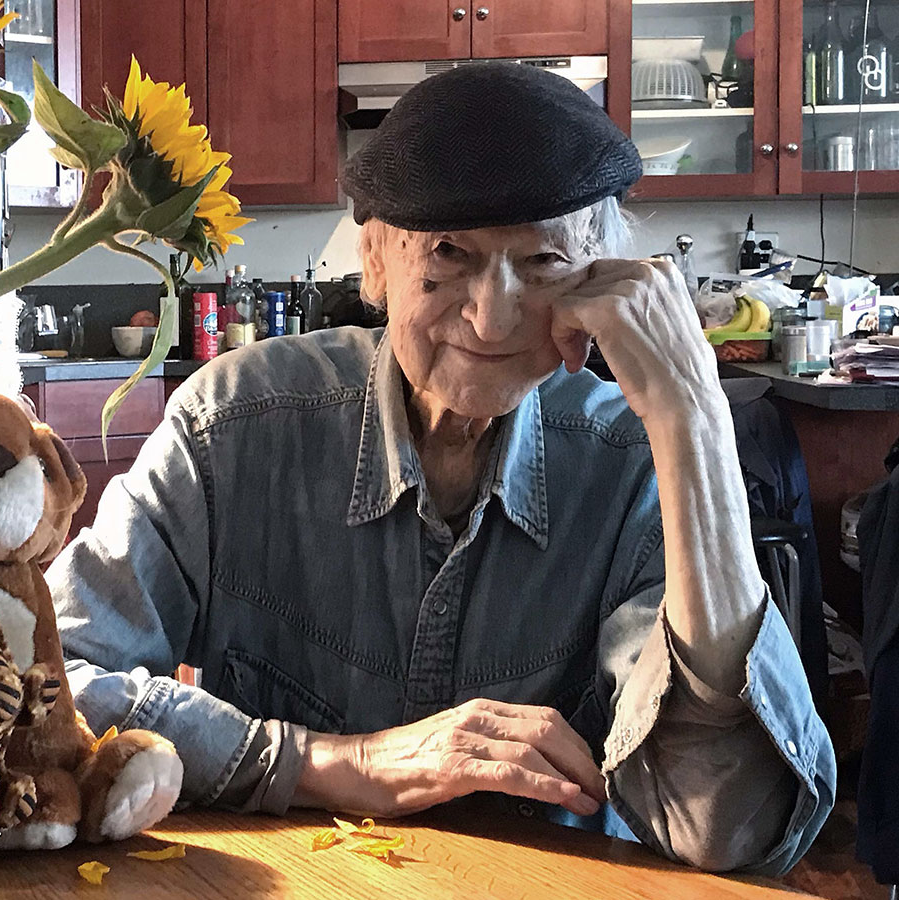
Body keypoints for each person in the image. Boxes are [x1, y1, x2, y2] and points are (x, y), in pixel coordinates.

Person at [47, 63, 834, 875]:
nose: (491, 318)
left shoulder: (633, 463)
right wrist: (332, 763)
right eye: (450, 254)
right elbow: (47, 688)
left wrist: (696, 425)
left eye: (542, 262)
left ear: (598, 277)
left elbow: (725, 826)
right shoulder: (234, 426)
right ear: (375, 261)